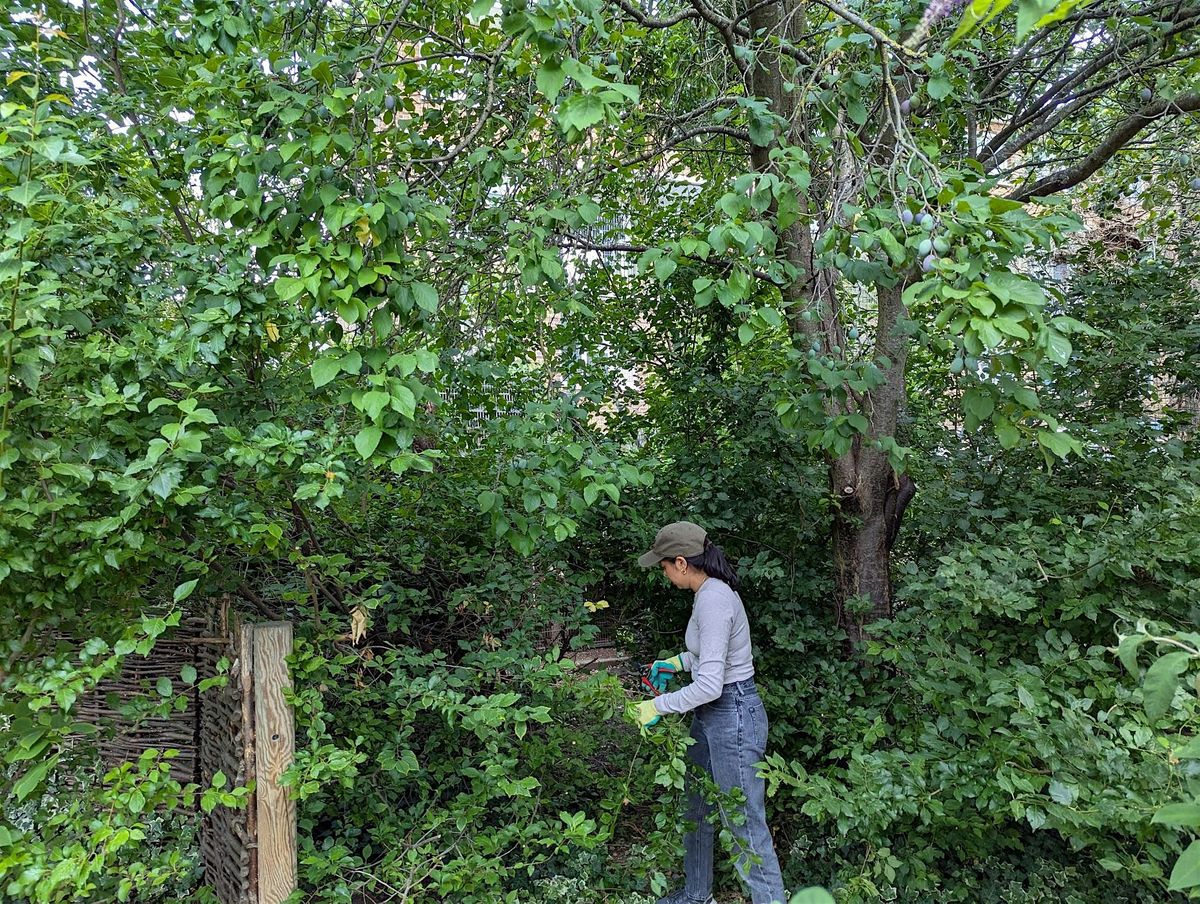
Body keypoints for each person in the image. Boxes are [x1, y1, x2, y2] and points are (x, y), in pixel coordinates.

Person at [630, 520, 787, 904]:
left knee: (744, 825)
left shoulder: (714, 600)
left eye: (664, 565)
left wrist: (656, 705)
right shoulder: (708, 593)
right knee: (696, 804)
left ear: (681, 563)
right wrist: (675, 662)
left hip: (732, 715)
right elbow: (710, 656)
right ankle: (697, 895)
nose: (663, 573)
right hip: (713, 714)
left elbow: (711, 685)